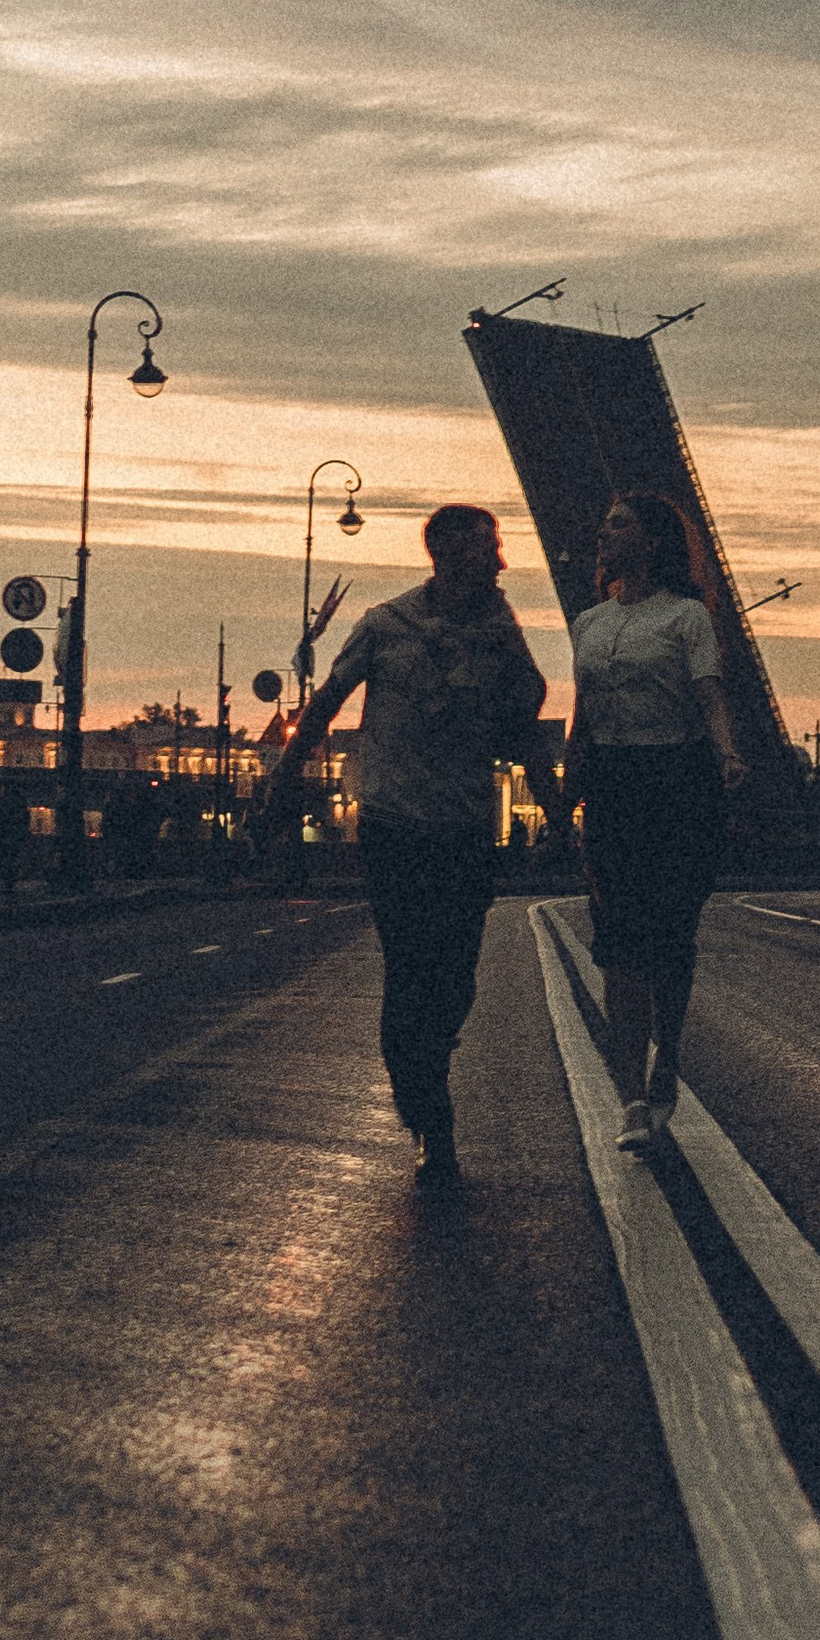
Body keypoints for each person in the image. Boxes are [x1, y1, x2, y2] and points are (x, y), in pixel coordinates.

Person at [263, 502, 552, 1182]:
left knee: (454, 977)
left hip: (466, 827)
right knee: (408, 965)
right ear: (447, 554)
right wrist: (280, 784)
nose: (500, 559)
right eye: (488, 548)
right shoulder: (383, 625)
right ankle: (426, 1101)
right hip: (395, 826)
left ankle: (428, 1068)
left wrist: (554, 805)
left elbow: (528, 711)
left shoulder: (500, 628)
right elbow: (326, 702)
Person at [565, 490, 743, 1148]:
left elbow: (709, 695)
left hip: (678, 781)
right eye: (605, 524)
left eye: (619, 524)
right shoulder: (587, 624)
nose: (604, 533)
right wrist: (566, 787)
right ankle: (632, 1101)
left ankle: (667, 1054)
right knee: (617, 941)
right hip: (612, 784)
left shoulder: (686, 618)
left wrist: (725, 753)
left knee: (669, 938)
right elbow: (583, 714)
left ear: (653, 542)